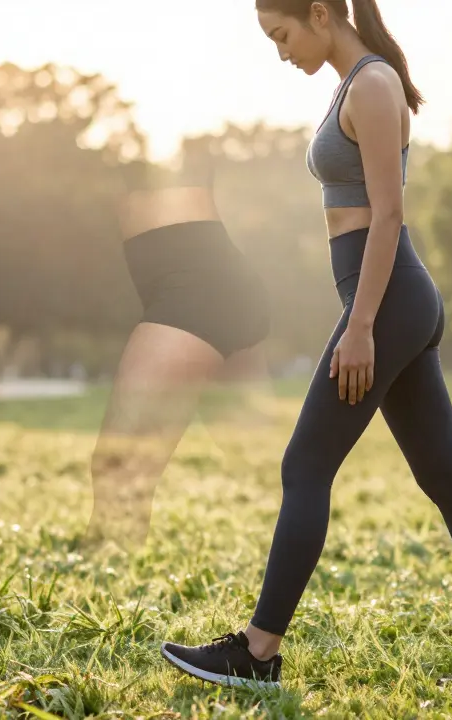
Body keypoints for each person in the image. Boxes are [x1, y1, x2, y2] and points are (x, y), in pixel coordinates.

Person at [160, 0, 452, 690]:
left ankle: (256, 653)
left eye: (282, 34)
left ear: (319, 13)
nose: (280, 51)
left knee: (304, 466)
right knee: (447, 480)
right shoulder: (357, 84)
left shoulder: (372, 84)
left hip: (391, 303)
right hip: (394, 302)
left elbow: (390, 211)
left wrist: (362, 325)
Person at [84, 143, 277, 555]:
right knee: (266, 466)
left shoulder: (162, 107)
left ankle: (100, 595)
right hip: (209, 284)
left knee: (120, 465)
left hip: (195, 291)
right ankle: (303, 582)